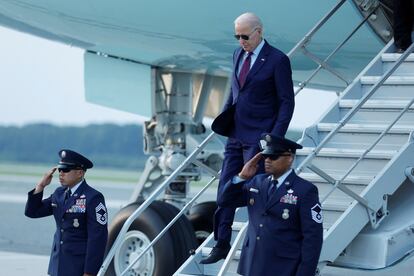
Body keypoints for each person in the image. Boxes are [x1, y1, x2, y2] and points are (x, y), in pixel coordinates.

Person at [202, 12, 295, 264]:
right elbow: (235, 92)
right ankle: (221, 243)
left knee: (255, 194)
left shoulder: (277, 60)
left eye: (245, 36)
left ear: (259, 32)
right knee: (225, 191)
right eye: (237, 36)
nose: (241, 41)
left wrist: (273, 140)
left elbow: (286, 103)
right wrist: (223, 118)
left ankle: (258, 245)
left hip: (259, 138)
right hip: (235, 135)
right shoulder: (238, 54)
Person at [217, 134, 323, 276]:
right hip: (252, 265)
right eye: (266, 156)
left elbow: (313, 238)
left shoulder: (304, 190)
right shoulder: (257, 182)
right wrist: (242, 176)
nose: (267, 160)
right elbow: (225, 201)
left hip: (283, 268)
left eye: (273, 157)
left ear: (290, 158)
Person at [25, 149, 108, 276]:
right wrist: (41, 186)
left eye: (66, 170)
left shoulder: (93, 197)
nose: (61, 173)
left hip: (78, 267)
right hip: (57, 264)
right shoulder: (59, 193)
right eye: (60, 170)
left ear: (80, 173)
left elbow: (97, 238)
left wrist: (90, 272)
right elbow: (33, 212)